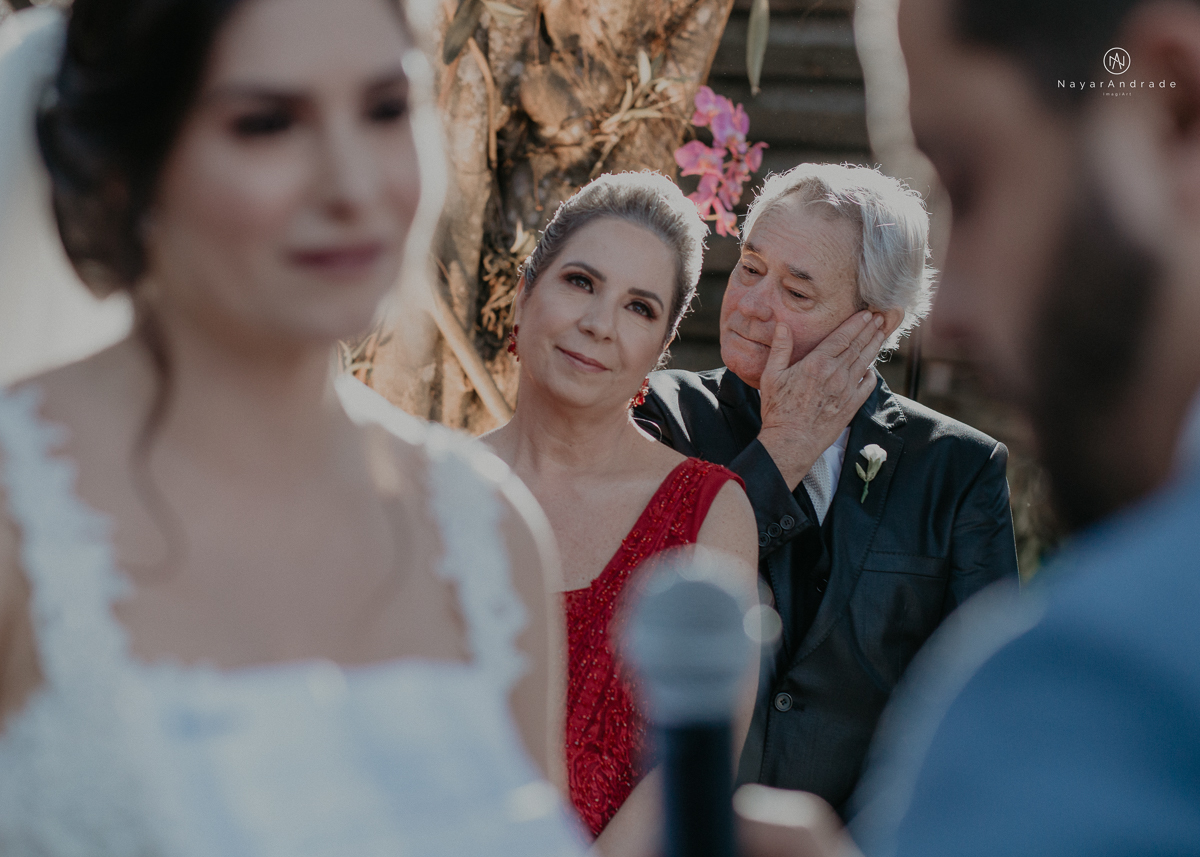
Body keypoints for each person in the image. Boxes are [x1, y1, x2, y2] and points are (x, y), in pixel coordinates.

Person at [0, 0, 588, 853]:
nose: (352, 185)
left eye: (387, 109)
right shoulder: (21, 509)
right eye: (267, 124)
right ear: (128, 167)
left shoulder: (486, 534)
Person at [736, 0, 1200, 854]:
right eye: (749, 269)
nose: (948, 314)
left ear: (1175, 113)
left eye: (969, 180)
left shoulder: (1103, 675)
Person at [634, 162, 1020, 812]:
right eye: (752, 267)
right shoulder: (663, 414)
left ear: (872, 322)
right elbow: (650, 596)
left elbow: (991, 706)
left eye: (797, 291)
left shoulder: (957, 469)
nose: (751, 304)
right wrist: (780, 450)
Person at [483, 172, 760, 854]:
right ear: (524, 293)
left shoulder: (707, 511)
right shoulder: (432, 489)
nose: (599, 324)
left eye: (638, 307)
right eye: (580, 281)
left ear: (659, 351)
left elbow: (692, 766)